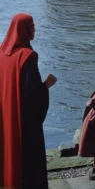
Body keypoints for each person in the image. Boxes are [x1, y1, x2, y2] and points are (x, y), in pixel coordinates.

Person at [0, 13, 57, 189]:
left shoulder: (2, 53)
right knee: (29, 164)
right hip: (23, 122)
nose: (34, 30)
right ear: (23, 30)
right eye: (31, 27)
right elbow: (30, 94)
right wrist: (46, 85)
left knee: (7, 154)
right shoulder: (28, 56)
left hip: (5, 114)